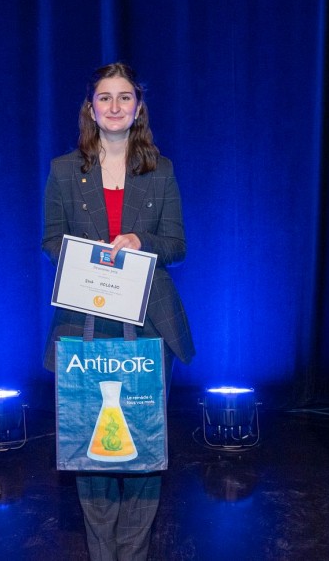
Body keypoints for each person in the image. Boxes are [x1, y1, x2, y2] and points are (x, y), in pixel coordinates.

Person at [42, 62, 194, 561]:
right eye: (104, 98)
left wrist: (139, 242)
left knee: (143, 447)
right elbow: (49, 241)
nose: (114, 106)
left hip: (148, 322)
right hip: (84, 322)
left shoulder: (162, 168)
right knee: (93, 448)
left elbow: (176, 245)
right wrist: (92, 257)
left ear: (138, 108)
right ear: (91, 108)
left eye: (124, 97)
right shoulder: (64, 169)